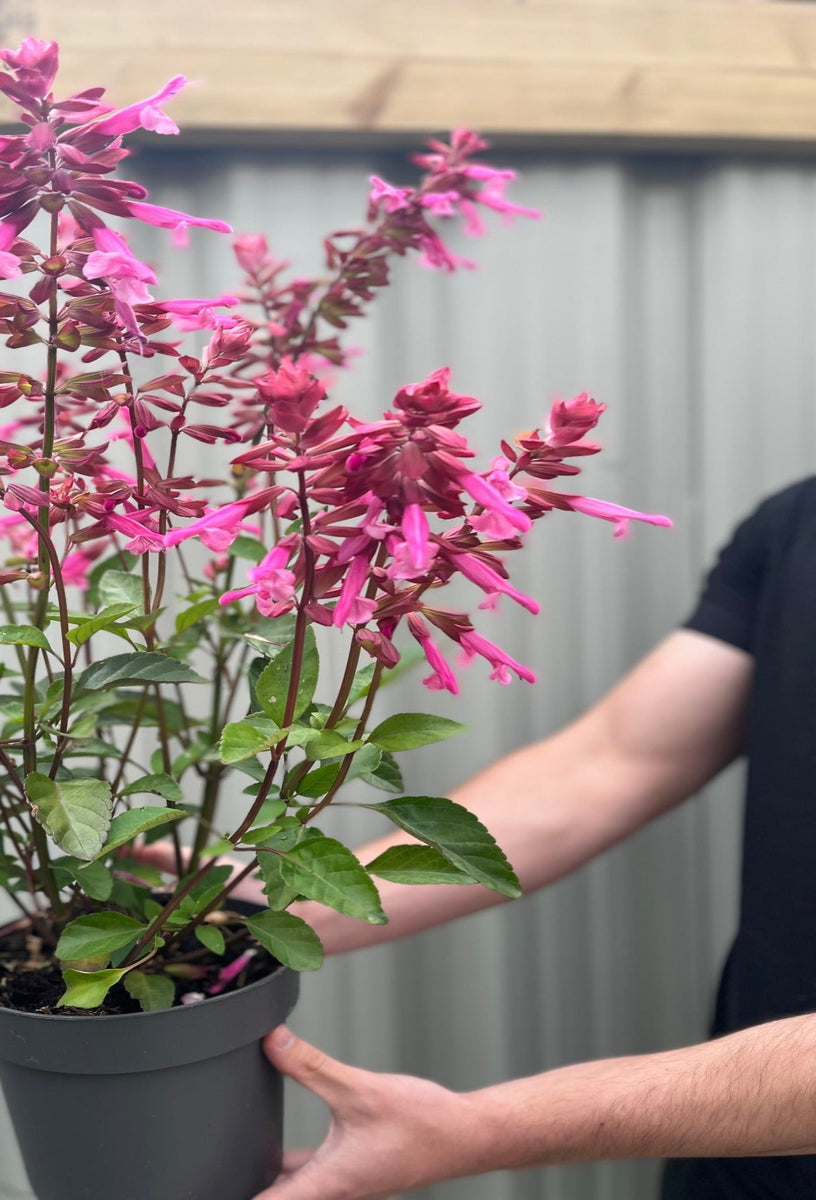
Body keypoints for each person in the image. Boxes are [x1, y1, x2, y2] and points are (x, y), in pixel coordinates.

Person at [243, 476, 816, 1199]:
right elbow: (613, 763)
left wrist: (481, 1128)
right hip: (738, 1160)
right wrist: (254, 903)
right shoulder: (798, 517)